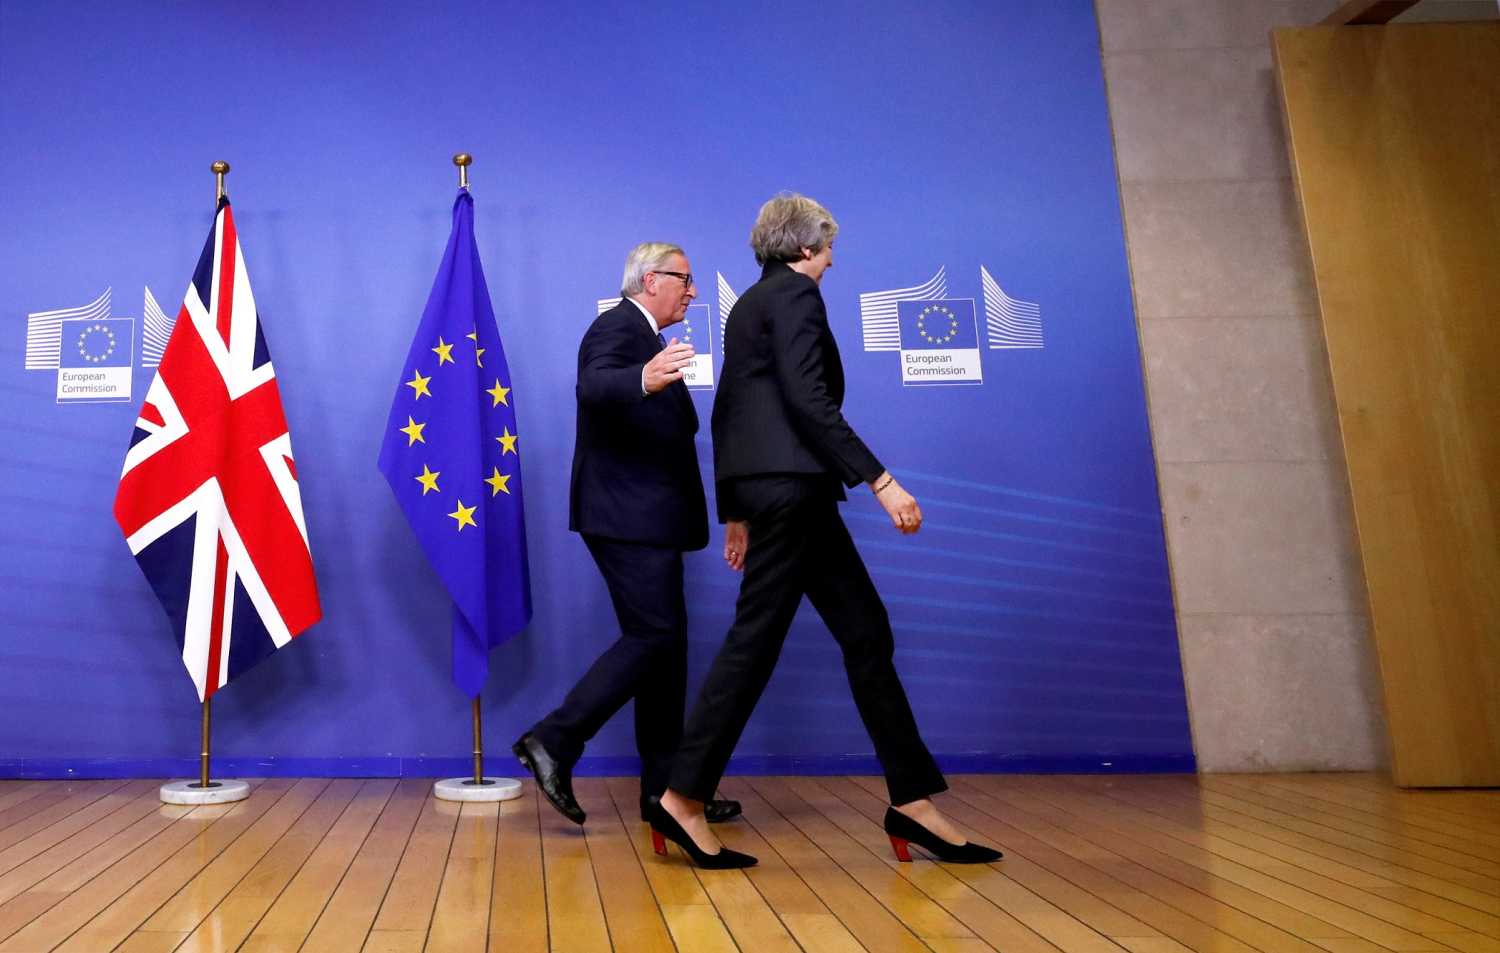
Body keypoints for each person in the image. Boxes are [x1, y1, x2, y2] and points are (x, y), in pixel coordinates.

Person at [645, 195, 1003, 869]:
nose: (833, 260)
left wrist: (735, 508)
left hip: (780, 493)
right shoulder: (798, 297)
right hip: (794, 493)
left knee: (865, 632)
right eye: (829, 247)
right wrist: (880, 480)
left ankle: (912, 801)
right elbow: (809, 401)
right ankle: (682, 797)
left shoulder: (750, 304)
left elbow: (730, 412)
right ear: (805, 248)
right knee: (755, 643)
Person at [513, 242, 740, 827]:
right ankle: (554, 740)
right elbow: (593, 386)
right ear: (649, 280)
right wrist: (642, 377)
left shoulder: (649, 337)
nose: (693, 291)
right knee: (655, 638)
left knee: (668, 652)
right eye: (684, 279)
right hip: (628, 518)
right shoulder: (617, 326)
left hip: (650, 520)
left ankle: (665, 795)